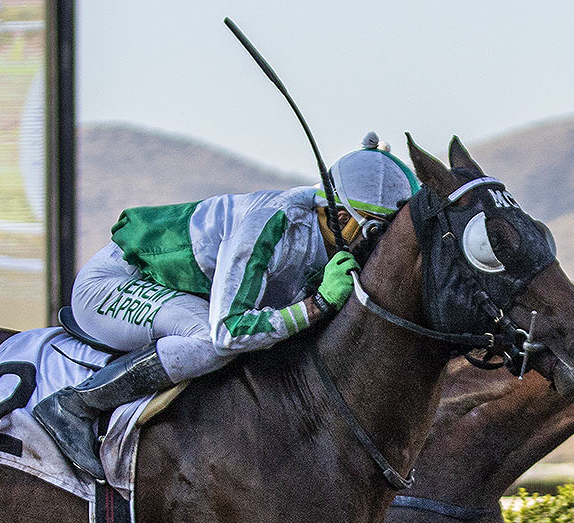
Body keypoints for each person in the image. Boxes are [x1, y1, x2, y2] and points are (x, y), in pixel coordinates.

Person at [34, 132, 420, 480]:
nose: (381, 247)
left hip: (176, 293)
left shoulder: (331, 234)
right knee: (207, 341)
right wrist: (316, 305)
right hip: (113, 284)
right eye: (377, 232)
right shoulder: (272, 222)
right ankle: (76, 405)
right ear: (341, 217)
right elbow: (229, 331)